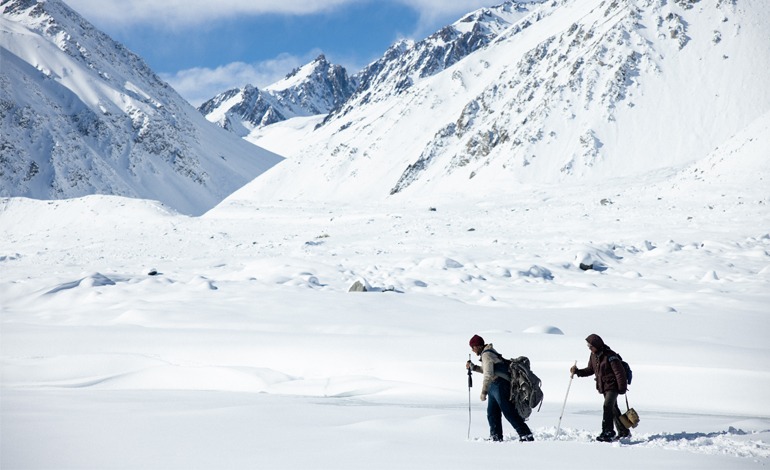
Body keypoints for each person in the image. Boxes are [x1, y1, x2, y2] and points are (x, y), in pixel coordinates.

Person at [466, 334, 534, 442]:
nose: (473, 350)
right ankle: (495, 437)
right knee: (492, 413)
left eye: (473, 347)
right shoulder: (488, 353)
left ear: (478, 346)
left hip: (499, 385)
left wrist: (483, 392)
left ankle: (526, 435)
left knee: (508, 411)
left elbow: (488, 374)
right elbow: (489, 370)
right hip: (494, 385)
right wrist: (474, 367)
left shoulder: (486, 355)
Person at [570, 333, 630, 442]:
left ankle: (608, 432)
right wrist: (577, 371)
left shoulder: (610, 355)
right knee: (613, 409)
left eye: (591, 346)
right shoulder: (593, 356)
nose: (589, 349)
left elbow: (619, 372)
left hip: (613, 386)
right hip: (603, 386)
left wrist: (622, 388)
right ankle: (624, 431)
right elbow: (590, 370)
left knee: (607, 406)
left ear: (597, 344)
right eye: (588, 346)